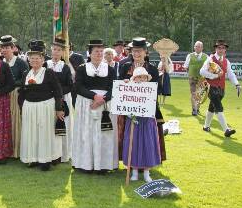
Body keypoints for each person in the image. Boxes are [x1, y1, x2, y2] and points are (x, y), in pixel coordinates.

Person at [72, 39, 118, 173]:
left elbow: (113, 87)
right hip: (86, 104)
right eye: (96, 51)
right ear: (90, 53)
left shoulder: (109, 69)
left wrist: (102, 99)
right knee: (86, 134)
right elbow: (78, 87)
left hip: (105, 105)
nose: (99, 54)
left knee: (104, 134)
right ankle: (85, 164)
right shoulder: (82, 68)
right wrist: (94, 96)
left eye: (101, 51)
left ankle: (103, 165)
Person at [18, 40, 65, 170]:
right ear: (28, 60)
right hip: (29, 107)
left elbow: (58, 91)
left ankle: (45, 160)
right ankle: (33, 158)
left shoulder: (49, 73)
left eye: (37, 58)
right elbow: (22, 92)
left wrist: (59, 108)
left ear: (42, 59)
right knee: (31, 133)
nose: (34, 61)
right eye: (32, 58)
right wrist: (22, 107)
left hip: (45, 107)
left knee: (44, 133)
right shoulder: (25, 74)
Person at [118, 38, 166, 161]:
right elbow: (119, 87)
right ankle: (132, 161)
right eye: (134, 51)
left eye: (139, 51)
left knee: (146, 136)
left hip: (147, 110)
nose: (136, 54)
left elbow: (157, 89)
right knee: (130, 136)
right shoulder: (125, 67)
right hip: (129, 110)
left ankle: (146, 161)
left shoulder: (152, 69)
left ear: (145, 52)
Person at [122, 67, 162, 182]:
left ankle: (146, 172)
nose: (141, 79)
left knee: (147, 144)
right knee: (133, 145)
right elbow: (124, 101)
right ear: (134, 78)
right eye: (139, 77)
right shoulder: (130, 88)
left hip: (147, 121)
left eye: (144, 77)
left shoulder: (150, 89)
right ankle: (134, 171)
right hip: (134, 120)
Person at [200, 39, 241, 137]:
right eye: (219, 48)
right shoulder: (210, 59)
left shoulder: (227, 61)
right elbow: (202, 71)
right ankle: (226, 130)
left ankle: (206, 127)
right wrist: (214, 76)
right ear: (215, 49)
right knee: (218, 107)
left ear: (225, 50)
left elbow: (230, 74)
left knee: (212, 107)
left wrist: (237, 84)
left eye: (223, 48)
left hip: (221, 88)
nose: (221, 50)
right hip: (210, 87)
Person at [1, 35, 29, 159]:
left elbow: (25, 80)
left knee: (15, 122)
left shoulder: (20, 63)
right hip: (2, 95)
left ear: (13, 48)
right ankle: (4, 149)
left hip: (15, 95)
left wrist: (11, 83)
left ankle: (16, 150)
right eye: (3, 48)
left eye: (7, 47)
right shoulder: (1, 63)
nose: (4, 50)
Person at [47, 38, 74, 163]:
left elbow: (70, 85)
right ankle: (50, 153)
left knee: (62, 126)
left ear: (63, 52)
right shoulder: (45, 65)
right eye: (54, 50)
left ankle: (62, 154)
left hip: (62, 98)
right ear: (51, 51)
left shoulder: (65, 67)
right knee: (49, 126)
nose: (56, 52)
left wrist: (58, 93)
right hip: (47, 99)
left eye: (59, 50)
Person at [183, 41, 208, 116]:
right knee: (193, 93)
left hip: (202, 79)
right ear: (194, 47)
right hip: (192, 78)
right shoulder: (189, 56)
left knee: (199, 94)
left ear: (202, 48)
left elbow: (209, 67)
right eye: (196, 46)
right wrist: (191, 74)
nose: (197, 48)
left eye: (199, 46)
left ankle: (197, 108)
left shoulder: (206, 56)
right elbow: (186, 67)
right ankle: (194, 109)